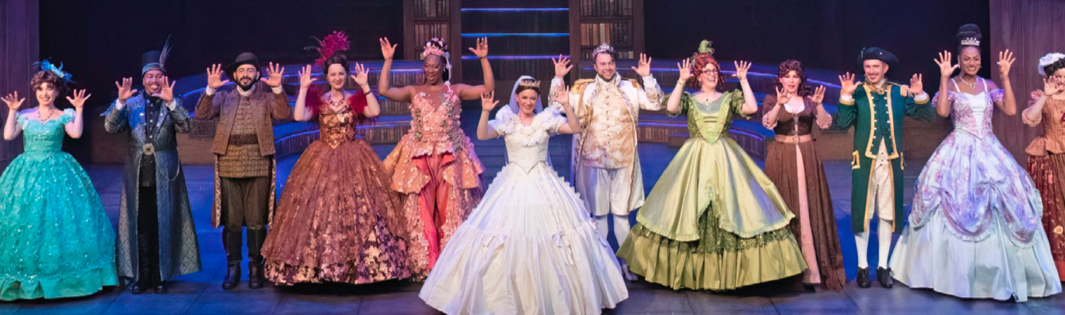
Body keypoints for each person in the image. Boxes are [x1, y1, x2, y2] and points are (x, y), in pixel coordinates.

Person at [420, 76, 627, 314]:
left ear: (537, 100)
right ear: (517, 98)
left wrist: (567, 105)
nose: (528, 102)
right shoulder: (507, 119)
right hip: (512, 183)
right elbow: (483, 135)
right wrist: (485, 112)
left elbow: (575, 128)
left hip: (543, 182)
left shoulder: (545, 120)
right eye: (525, 97)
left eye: (532, 98)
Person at [617, 41, 807, 290]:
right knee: (687, 211)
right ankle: (691, 273)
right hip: (694, 159)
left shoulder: (728, 98)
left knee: (732, 210)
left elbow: (751, 107)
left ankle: (732, 273)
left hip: (725, 158)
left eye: (715, 70)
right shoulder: (689, 98)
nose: (712, 75)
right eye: (707, 71)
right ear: (698, 76)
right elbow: (671, 107)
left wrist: (744, 80)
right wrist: (681, 81)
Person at [891, 24, 1061, 301]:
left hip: (989, 147)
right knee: (950, 200)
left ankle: (995, 275)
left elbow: (1011, 109)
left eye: (976, 59)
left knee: (1002, 197)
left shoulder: (988, 85)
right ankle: (952, 276)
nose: (972, 63)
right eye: (967, 59)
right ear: (959, 60)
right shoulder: (952, 85)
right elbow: (942, 112)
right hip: (958, 147)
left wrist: (1005, 77)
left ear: (981, 61)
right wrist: (944, 78)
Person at [261, 32, 410, 285]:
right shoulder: (320, 100)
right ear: (327, 77)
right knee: (320, 210)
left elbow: (374, 110)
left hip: (353, 158)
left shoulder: (354, 100)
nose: (338, 78)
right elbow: (299, 116)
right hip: (322, 159)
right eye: (333, 74)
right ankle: (321, 269)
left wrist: (365, 86)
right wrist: (304, 89)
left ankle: (357, 269)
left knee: (358, 210)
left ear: (346, 74)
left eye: (341, 74)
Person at [0, 62, 117, 300]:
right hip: (27, 173)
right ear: (35, 91)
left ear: (57, 91)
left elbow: (76, 133)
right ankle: (24, 278)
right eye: (40, 88)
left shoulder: (65, 115)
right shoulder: (25, 115)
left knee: (61, 221)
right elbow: (8, 135)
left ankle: (65, 280)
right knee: (24, 221)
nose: (45, 93)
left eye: (49, 88)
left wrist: (79, 109)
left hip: (57, 171)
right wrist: (12, 111)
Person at [378, 37, 493, 279]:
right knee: (421, 211)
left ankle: (450, 263)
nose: (430, 70)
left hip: (450, 157)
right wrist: (388, 61)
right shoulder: (414, 91)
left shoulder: (456, 90)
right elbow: (384, 91)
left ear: (444, 67)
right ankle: (428, 262)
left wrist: (483, 59)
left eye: (435, 66)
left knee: (450, 210)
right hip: (419, 158)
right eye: (426, 66)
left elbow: (487, 88)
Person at [549, 44, 663, 278]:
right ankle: (605, 266)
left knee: (621, 216)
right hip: (593, 162)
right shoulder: (583, 90)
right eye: (603, 64)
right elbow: (555, 105)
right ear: (595, 66)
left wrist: (647, 78)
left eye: (610, 63)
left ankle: (626, 263)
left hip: (624, 162)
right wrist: (558, 78)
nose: (608, 67)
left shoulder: (630, 88)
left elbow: (656, 103)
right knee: (599, 216)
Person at [103, 41, 202, 294]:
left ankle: (159, 275)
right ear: (143, 79)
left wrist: (172, 104)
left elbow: (187, 127)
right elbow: (110, 127)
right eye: (149, 76)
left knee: (162, 224)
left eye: (158, 76)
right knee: (141, 225)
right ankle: (142, 275)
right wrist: (120, 103)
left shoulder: (173, 100)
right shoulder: (132, 102)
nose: (154, 81)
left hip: (165, 173)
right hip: (138, 174)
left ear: (164, 78)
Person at [836, 46, 935, 288]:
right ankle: (862, 267)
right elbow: (843, 124)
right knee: (862, 214)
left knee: (888, 215)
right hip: (864, 162)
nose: (871, 71)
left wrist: (920, 95)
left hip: (891, 162)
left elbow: (928, 117)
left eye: (875, 67)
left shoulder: (898, 92)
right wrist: (846, 97)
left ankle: (882, 266)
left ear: (885, 68)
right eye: (867, 67)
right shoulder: (858, 92)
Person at [195, 53, 291, 289]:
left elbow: (283, 114)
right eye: (241, 71)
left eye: (250, 70)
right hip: (229, 163)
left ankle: (256, 267)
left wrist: (278, 89)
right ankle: (233, 268)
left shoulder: (266, 98)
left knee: (257, 221)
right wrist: (209, 90)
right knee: (233, 221)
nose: (245, 75)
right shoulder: (223, 97)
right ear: (235, 75)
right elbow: (201, 114)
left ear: (257, 74)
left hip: (258, 162)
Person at [761, 59, 847, 291]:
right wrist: (779, 105)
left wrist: (819, 105)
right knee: (785, 206)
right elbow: (768, 123)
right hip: (782, 156)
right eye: (787, 76)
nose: (791, 81)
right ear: (780, 79)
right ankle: (787, 272)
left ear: (800, 79)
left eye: (795, 76)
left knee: (809, 207)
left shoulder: (809, 100)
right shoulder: (772, 100)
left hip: (807, 156)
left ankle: (812, 271)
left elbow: (825, 123)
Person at [1024, 51, 1065, 282]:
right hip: (1050, 159)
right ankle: (1056, 265)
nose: (1062, 81)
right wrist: (1045, 97)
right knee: (1055, 212)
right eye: (1058, 76)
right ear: (1048, 78)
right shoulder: (1043, 97)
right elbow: (1030, 119)